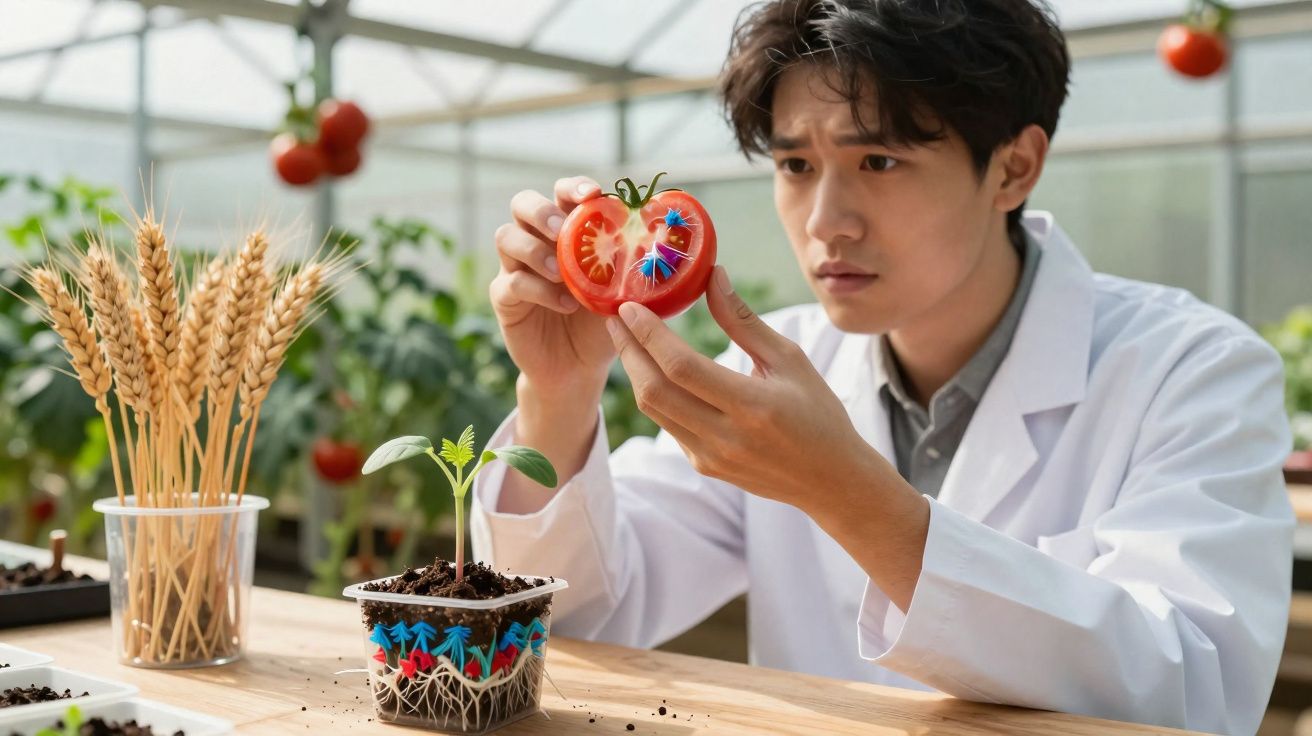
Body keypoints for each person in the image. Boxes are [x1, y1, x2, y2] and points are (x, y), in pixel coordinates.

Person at [472, 1, 1293, 733]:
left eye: (879, 162)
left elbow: (1194, 692)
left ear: (1013, 167)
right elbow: (572, 618)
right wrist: (559, 392)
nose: (826, 222)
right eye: (795, 166)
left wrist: (845, 493)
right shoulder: (777, 367)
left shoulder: (1193, 372)